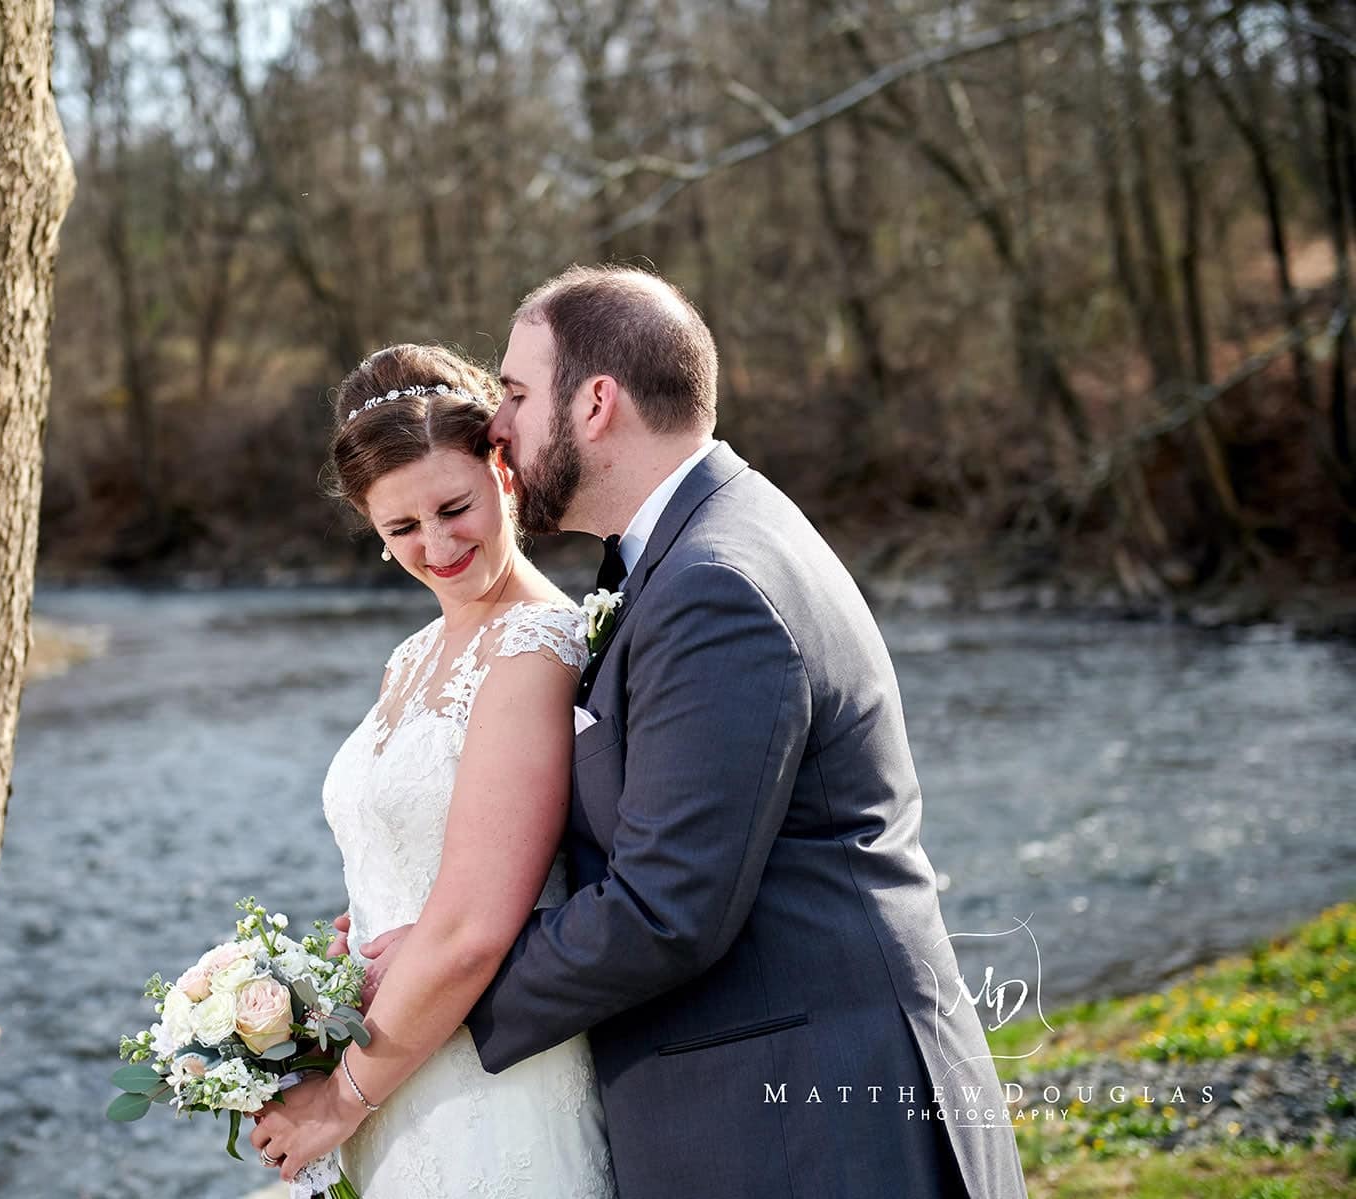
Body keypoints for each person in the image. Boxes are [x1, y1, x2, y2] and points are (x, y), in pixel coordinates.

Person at [339, 266, 1028, 1198]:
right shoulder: (684, 552)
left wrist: (438, 989)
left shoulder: (715, 583)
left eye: (513, 393)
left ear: (594, 403)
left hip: (808, 1127)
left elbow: (665, 906)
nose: (496, 423)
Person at [248, 344, 615, 1196]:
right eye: (402, 528)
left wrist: (340, 1100)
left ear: (504, 471)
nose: (439, 545)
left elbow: (473, 926)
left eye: (454, 507)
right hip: (398, 1055)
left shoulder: (536, 648)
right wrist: (336, 961)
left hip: (489, 1079)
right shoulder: (409, 657)